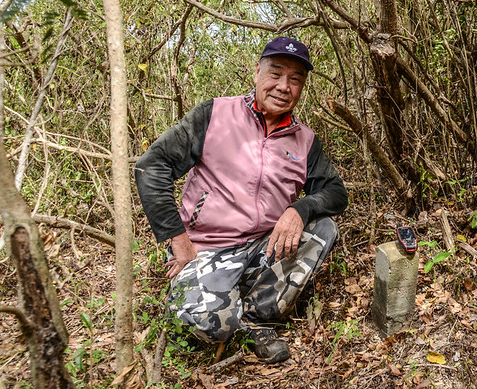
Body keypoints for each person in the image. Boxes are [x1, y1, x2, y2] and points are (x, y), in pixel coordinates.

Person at [134, 36, 347, 363]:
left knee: (324, 228)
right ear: (257, 73)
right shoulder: (215, 114)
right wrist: (176, 238)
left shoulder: (304, 140)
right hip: (206, 247)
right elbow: (152, 167)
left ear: (302, 87)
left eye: (295, 79)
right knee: (212, 324)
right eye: (275, 74)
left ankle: (254, 317)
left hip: (265, 246)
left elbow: (335, 192)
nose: (283, 86)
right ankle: (211, 298)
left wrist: (300, 208)